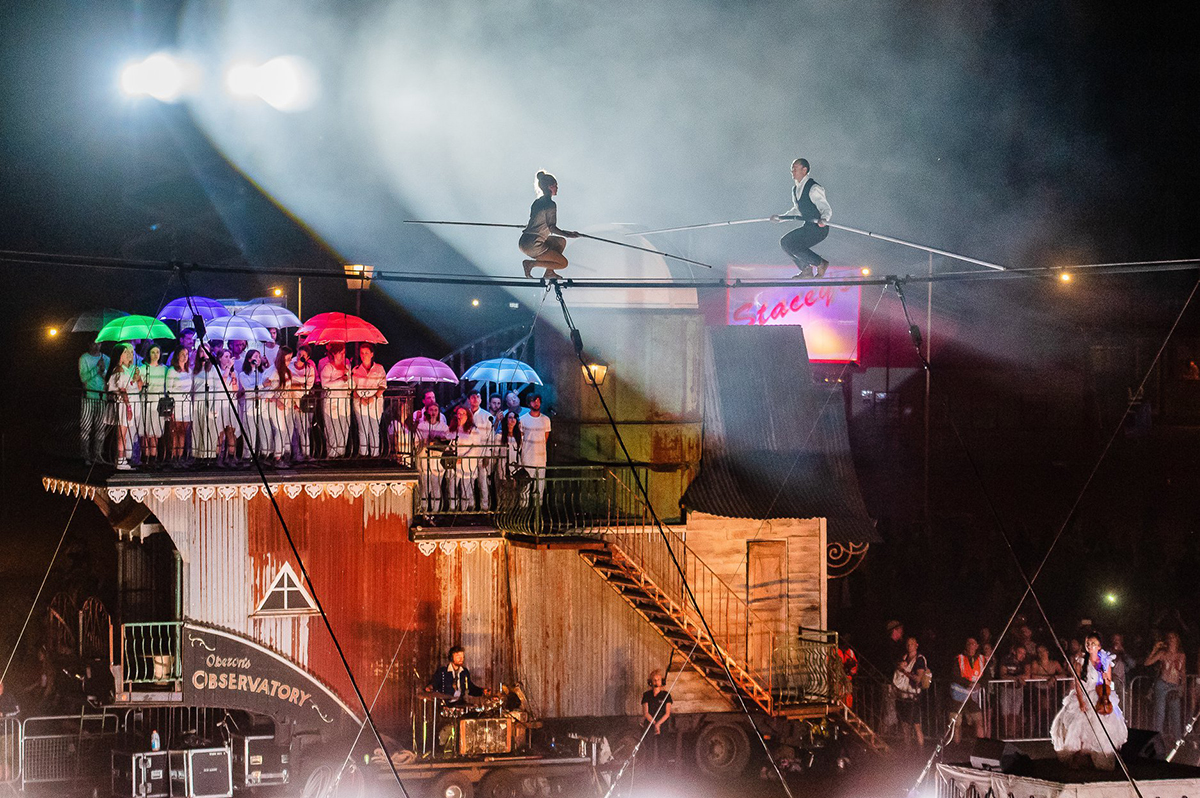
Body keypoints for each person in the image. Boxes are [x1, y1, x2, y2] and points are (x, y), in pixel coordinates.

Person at [1050, 631, 1128, 770]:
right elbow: (1078, 683)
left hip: (1100, 694)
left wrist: (1105, 679)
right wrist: (1081, 701)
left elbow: (1108, 682)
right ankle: (1079, 758)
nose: (1090, 646)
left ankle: (1098, 756)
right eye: (1088, 643)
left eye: (1093, 643)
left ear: (1099, 646)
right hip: (1085, 693)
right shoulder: (1080, 662)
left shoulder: (1105, 661)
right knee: (1079, 724)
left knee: (1102, 725)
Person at [770, 158, 832, 279]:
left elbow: (825, 208)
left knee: (794, 245)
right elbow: (797, 210)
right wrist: (780, 218)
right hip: (808, 227)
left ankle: (821, 263)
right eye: (792, 169)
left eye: (795, 169)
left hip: (819, 229)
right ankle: (806, 269)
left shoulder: (813, 188)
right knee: (786, 242)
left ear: (804, 170)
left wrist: (824, 219)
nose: (792, 171)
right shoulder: (795, 189)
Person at [518, 170, 579, 280]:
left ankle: (549, 272)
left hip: (524, 240)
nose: (557, 188)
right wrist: (569, 235)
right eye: (555, 185)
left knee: (560, 242)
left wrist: (566, 234)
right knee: (563, 263)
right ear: (550, 187)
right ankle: (531, 264)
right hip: (533, 245)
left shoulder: (537, 202)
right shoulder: (550, 204)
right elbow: (552, 227)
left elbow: (537, 221)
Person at [106, 344, 143, 470]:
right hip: (123, 404)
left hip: (130, 402)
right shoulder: (119, 370)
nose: (128, 355)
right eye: (125, 353)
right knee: (122, 434)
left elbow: (137, 387)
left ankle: (123, 459)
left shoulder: (129, 370)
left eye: (129, 352)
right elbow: (122, 390)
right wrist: (128, 407)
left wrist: (138, 378)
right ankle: (120, 460)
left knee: (126, 434)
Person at [1145, 630, 1186, 743]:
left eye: (1173, 638)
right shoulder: (1163, 654)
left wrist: (1182, 688)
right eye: (1170, 638)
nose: (1171, 640)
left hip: (1174, 685)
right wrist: (1155, 649)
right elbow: (1147, 662)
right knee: (1160, 713)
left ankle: (1178, 739)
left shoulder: (1181, 656)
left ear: (1177, 640)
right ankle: (1158, 738)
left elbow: (1183, 672)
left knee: (1175, 713)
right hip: (1162, 684)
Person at [410, 399, 449, 514]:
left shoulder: (443, 427)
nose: (433, 412)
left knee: (436, 486)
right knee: (424, 486)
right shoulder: (421, 425)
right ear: (427, 411)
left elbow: (448, 444)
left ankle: (435, 511)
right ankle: (424, 510)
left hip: (437, 461)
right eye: (431, 410)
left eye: (435, 410)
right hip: (424, 459)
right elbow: (415, 442)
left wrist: (438, 441)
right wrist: (424, 442)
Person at [446, 406, 487, 511]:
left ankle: (465, 509)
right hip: (454, 462)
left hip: (467, 463)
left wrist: (463, 458)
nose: (459, 416)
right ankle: (453, 507)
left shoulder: (473, 430)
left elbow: (476, 447)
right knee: (452, 485)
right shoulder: (453, 429)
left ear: (467, 416)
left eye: (462, 414)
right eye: (458, 414)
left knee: (466, 487)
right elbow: (449, 443)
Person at [351, 343, 387, 457]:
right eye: (362, 353)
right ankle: (363, 454)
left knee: (374, 429)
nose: (364, 355)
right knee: (363, 429)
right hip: (360, 403)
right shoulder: (356, 370)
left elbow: (383, 385)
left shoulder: (379, 368)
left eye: (366, 353)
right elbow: (353, 388)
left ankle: (375, 455)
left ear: (372, 354)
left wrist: (374, 397)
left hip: (375, 403)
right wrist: (360, 398)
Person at [893, 636, 928, 747]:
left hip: (913, 696)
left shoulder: (919, 659)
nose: (909, 646)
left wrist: (904, 671)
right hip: (903, 694)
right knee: (905, 724)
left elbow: (918, 678)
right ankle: (907, 748)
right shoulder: (904, 657)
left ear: (916, 645)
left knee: (916, 725)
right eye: (908, 644)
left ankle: (921, 750)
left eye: (912, 644)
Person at [1021, 644, 1065, 732]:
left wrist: (1054, 677)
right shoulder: (1036, 664)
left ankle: (1051, 728)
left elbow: (1063, 674)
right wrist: (1048, 678)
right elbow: (1033, 676)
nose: (1041, 654)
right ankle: (1041, 729)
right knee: (1042, 708)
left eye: (1042, 651)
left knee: (1051, 709)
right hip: (1039, 689)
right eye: (1039, 652)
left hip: (1051, 690)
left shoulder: (1054, 663)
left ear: (1047, 652)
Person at [78, 342, 110, 462]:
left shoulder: (106, 359)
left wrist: (103, 370)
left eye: (99, 344)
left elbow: (109, 379)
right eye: (94, 343)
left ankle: (98, 454)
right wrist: (96, 368)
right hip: (88, 396)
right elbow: (83, 378)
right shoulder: (84, 358)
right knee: (85, 426)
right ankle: (85, 454)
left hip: (102, 397)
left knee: (101, 427)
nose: (96, 346)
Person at [239, 350, 272, 463]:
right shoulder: (243, 374)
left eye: (259, 357)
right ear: (249, 359)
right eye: (256, 357)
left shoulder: (263, 373)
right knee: (250, 432)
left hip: (262, 405)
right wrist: (261, 386)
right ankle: (248, 456)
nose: (258, 359)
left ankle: (265, 454)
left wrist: (261, 392)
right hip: (250, 407)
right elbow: (248, 390)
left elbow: (268, 388)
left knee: (265, 431)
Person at [951, 637, 985, 742]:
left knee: (978, 721)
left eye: (973, 644)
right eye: (969, 644)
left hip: (972, 697)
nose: (971, 646)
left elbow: (986, 676)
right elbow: (955, 675)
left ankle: (980, 746)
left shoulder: (982, 659)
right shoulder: (959, 658)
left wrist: (980, 684)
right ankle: (956, 747)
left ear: (977, 646)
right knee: (956, 723)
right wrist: (968, 683)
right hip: (958, 696)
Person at [320, 343, 352, 457]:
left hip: (344, 402)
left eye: (344, 353)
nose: (343, 355)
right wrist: (341, 380)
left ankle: (341, 453)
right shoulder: (328, 368)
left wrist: (349, 382)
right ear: (334, 354)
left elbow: (350, 384)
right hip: (332, 403)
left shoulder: (347, 367)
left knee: (344, 427)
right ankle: (332, 454)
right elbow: (325, 385)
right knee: (333, 428)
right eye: (340, 353)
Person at [139, 344, 168, 465]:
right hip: (146, 402)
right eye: (153, 352)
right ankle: (144, 457)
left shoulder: (164, 369)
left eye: (158, 352)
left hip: (158, 403)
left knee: (155, 432)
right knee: (146, 432)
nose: (156, 355)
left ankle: (153, 458)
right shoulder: (143, 368)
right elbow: (138, 387)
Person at [519, 394, 551, 502]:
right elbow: (521, 438)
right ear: (529, 403)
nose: (536, 403)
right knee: (525, 487)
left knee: (539, 487)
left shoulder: (546, 420)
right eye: (533, 401)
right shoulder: (523, 419)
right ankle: (524, 509)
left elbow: (545, 438)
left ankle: (538, 508)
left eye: (538, 401)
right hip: (527, 458)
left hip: (541, 459)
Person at [164, 348, 193, 465]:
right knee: (174, 430)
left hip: (186, 402)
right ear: (177, 356)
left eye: (186, 354)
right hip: (176, 402)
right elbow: (169, 389)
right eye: (182, 354)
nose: (185, 356)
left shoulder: (189, 371)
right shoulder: (172, 371)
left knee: (183, 431)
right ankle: (173, 456)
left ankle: (180, 456)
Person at [289, 345, 317, 460]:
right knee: (293, 429)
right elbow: (287, 384)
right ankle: (295, 454)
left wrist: (295, 386)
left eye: (303, 355)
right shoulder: (289, 365)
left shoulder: (309, 369)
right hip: (290, 400)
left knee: (304, 429)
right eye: (299, 354)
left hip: (303, 402)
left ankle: (306, 454)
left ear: (308, 357)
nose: (300, 357)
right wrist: (298, 385)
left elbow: (308, 386)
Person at [467, 391, 494, 509]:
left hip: (482, 453)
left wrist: (487, 454)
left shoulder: (487, 416)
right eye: (472, 397)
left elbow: (490, 437)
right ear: (469, 400)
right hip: (468, 454)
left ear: (481, 400)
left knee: (483, 481)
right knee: (469, 481)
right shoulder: (465, 414)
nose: (475, 399)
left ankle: (485, 506)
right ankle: (470, 505)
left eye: (477, 397)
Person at [641, 669, 673, 764]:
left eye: (658, 679)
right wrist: (655, 724)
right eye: (654, 680)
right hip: (650, 724)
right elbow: (646, 713)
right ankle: (649, 770)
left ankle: (662, 771)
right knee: (649, 750)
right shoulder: (646, 695)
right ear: (650, 682)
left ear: (661, 681)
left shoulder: (666, 695)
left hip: (663, 725)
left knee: (663, 750)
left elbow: (667, 713)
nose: (656, 682)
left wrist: (658, 724)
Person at [999, 643, 1029, 738]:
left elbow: (1027, 675)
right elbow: (1003, 675)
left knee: (1015, 713)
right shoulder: (1006, 660)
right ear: (1014, 652)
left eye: (1024, 653)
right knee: (1006, 713)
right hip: (1006, 689)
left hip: (1018, 689)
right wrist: (1017, 678)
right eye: (1020, 653)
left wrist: (1016, 678)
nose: (1022, 656)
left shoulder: (1024, 662)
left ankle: (1014, 733)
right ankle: (1007, 733)